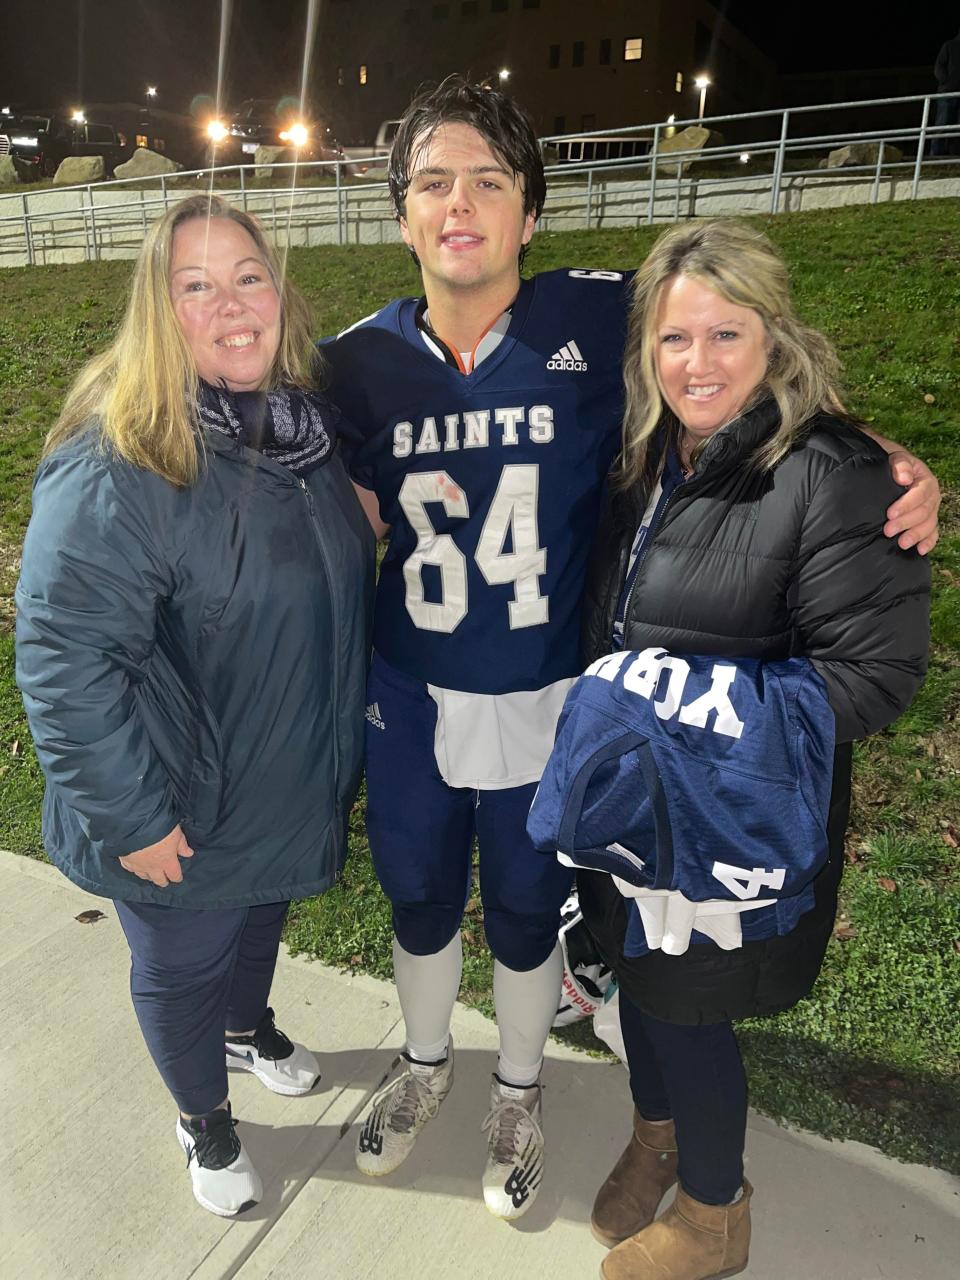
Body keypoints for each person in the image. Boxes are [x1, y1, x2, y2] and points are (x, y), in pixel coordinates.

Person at [320, 76, 940, 1221]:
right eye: (434, 182)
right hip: (408, 684)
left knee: (520, 902)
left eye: (490, 182)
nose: (461, 204)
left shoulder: (597, 318)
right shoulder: (350, 362)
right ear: (399, 211)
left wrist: (884, 457)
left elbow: (730, 360)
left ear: (531, 212)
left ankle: (517, 1088)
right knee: (411, 889)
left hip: (553, 686)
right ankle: (421, 1064)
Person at [566, 218, 930, 1280]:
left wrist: (684, 720)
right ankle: (656, 1129)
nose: (699, 364)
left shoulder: (834, 473)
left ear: (774, 335)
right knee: (640, 980)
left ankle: (717, 1215)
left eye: (726, 335)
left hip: (727, 811)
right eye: (676, 340)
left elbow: (875, 677)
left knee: (689, 1007)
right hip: (633, 807)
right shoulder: (646, 449)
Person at [15, 195, 374, 1218]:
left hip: (276, 779)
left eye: (249, 276)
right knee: (182, 962)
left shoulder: (299, 430)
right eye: (196, 285)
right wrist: (132, 816)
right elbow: (64, 658)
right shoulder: (118, 460)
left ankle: (245, 1023)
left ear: (281, 292)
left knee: (257, 924)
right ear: (157, 311)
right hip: (174, 798)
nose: (231, 303)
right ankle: (202, 1115)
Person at [932, 25, 960, 157]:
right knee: (943, 123)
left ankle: (954, 153)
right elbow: (939, 66)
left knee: (957, 126)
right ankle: (936, 154)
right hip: (948, 92)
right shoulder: (949, 46)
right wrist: (946, 82)